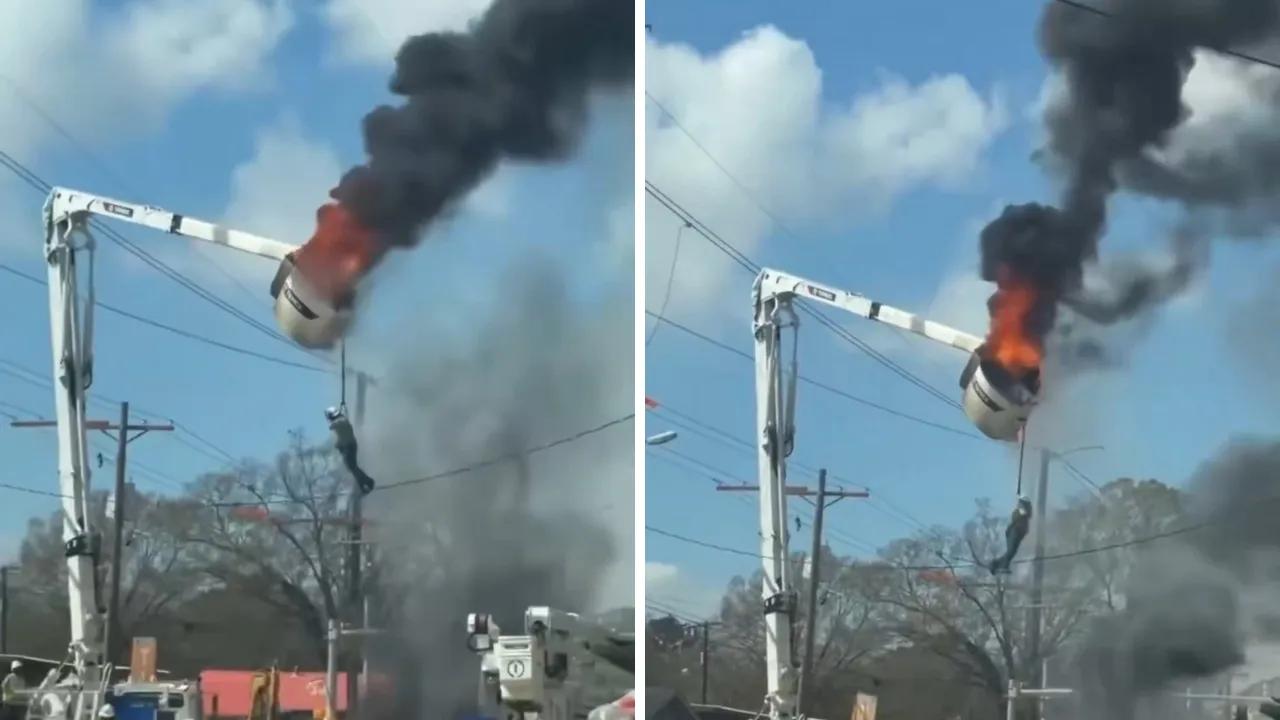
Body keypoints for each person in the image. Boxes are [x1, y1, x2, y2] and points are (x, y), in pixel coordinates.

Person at [326, 406, 376, 494]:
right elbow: (342, 436)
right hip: (348, 446)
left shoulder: (341, 421)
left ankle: (369, 482)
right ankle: (363, 485)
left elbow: (334, 425)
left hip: (350, 446)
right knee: (352, 468)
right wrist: (338, 446)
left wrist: (334, 420)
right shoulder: (341, 422)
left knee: (353, 467)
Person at [989, 496, 1033, 575]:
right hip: (1014, 531)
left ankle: (997, 565)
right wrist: (1022, 504)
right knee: (1010, 551)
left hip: (1019, 534)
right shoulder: (1019, 510)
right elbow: (1018, 515)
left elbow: (1028, 514)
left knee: (1012, 553)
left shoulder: (1025, 513)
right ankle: (998, 564)